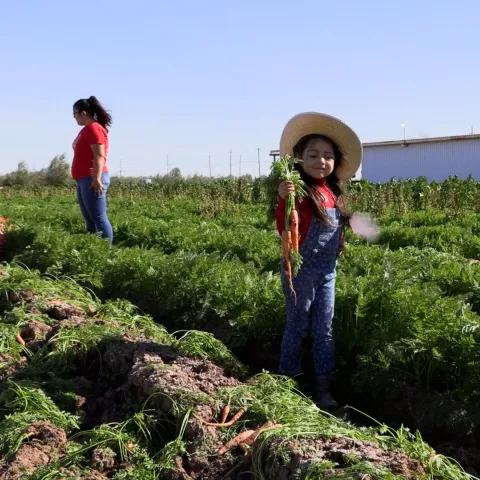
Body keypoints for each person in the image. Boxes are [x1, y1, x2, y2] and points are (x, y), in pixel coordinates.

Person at [275, 112, 362, 410]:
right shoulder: (296, 191)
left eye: (327, 156)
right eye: (313, 155)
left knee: (324, 328)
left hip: (327, 272)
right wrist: (283, 199)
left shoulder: (332, 191)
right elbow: (284, 227)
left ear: (335, 161)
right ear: (299, 157)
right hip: (299, 270)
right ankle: (288, 381)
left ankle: (323, 387)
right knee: (297, 326)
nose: (320, 161)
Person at [71, 96, 114, 244]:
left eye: (74, 114)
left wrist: (96, 179)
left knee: (99, 217)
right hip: (84, 179)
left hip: (92, 178)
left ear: (83, 113)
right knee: (89, 218)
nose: (74, 117)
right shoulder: (86, 130)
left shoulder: (94, 129)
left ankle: (105, 253)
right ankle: (93, 248)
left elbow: (99, 154)